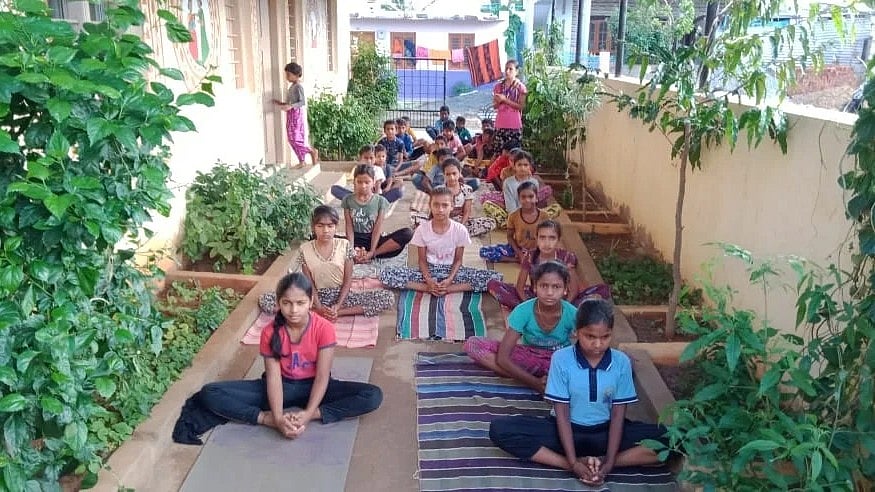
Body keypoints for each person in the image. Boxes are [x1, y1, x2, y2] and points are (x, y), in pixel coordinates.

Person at [488, 298, 668, 486]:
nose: (598, 344)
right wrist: (573, 463)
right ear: (576, 332)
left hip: (605, 433)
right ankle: (568, 463)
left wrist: (610, 463)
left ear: (611, 334)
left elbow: (617, 414)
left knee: (675, 439)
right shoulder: (561, 359)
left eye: (605, 337)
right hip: (564, 432)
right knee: (501, 429)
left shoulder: (621, 362)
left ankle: (598, 463)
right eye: (590, 336)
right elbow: (562, 413)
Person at [196, 273, 383, 439]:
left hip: (314, 386)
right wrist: (276, 419)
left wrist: (309, 414)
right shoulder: (269, 332)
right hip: (281, 387)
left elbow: (322, 376)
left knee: (373, 395)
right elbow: (274, 378)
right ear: (278, 303)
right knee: (210, 393)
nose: (293, 310)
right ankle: (263, 418)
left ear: (310, 302)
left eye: (300, 303)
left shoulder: (324, 328)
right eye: (287, 303)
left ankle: (319, 412)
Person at [258, 206, 395, 321]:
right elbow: (309, 283)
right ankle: (316, 312)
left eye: (330, 226)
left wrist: (338, 306)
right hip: (314, 297)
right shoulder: (304, 249)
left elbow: (348, 280)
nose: (325, 231)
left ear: (336, 226)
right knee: (266, 300)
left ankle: (336, 314)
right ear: (313, 227)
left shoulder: (345, 245)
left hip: (342, 296)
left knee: (387, 298)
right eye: (320, 226)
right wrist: (317, 305)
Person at [464, 261, 578, 392]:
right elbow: (503, 357)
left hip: (559, 360)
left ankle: (539, 377)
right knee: (473, 344)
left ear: (565, 290)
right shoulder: (523, 310)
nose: (550, 292)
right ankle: (537, 379)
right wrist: (534, 383)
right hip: (530, 357)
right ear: (535, 287)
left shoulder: (572, 313)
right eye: (544, 286)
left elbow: (585, 350)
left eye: (556, 287)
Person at [380, 187, 501, 294]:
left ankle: (449, 289)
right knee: (386, 274)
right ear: (430, 206)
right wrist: (428, 281)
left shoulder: (460, 230)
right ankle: (427, 288)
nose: (440, 209)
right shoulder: (422, 229)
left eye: (445, 205)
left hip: (452, 272)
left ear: (452, 206)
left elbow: (458, 260)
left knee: (494, 278)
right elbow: (422, 261)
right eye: (436, 205)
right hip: (428, 270)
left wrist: (449, 280)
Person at [488, 220, 611, 309]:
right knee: (494, 285)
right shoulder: (530, 256)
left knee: (601, 292)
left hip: (561, 298)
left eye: (552, 238)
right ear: (536, 238)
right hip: (535, 297)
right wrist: (530, 307)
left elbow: (574, 290)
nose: (547, 243)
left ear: (558, 239)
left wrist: (564, 307)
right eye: (542, 238)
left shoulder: (567, 257)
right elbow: (520, 287)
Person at [341, 164, 413, 263]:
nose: (363, 186)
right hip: (355, 239)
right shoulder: (347, 200)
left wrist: (372, 251)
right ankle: (356, 254)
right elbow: (349, 227)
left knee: (407, 233)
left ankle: (374, 255)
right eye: (359, 182)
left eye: (367, 182)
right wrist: (351, 250)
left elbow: (377, 229)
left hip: (373, 241)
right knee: (321, 237)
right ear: (354, 182)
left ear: (374, 182)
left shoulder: (380, 201)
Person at [480, 181, 546, 262]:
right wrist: (519, 253)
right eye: (523, 197)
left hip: (538, 250)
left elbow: (547, 237)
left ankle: (531, 260)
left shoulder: (544, 216)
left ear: (536, 198)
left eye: (531, 196)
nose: (527, 200)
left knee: (555, 258)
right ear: (519, 199)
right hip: (518, 249)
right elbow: (510, 237)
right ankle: (516, 260)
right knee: (484, 251)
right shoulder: (513, 216)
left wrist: (535, 253)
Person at [273, 62, 318, 167]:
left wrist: (291, 106)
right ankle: (301, 160)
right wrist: (281, 103)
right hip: (290, 114)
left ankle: (311, 151)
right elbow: (289, 102)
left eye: (289, 75)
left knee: (296, 137)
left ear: (296, 75)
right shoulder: (292, 87)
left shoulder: (298, 87)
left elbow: (302, 102)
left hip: (296, 115)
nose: (287, 77)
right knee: (291, 138)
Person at [441, 158, 497, 237]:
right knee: (419, 220)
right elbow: (436, 212)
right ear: (444, 174)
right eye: (448, 174)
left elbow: (467, 211)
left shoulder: (467, 189)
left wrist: (461, 226)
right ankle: (450, 234)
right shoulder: (439, 190)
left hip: (460, 222)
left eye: (454, 173)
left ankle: (456, 233)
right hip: (443, 221)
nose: (452, 177)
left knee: (490, 222)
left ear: (460, 172)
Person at [330, 146, 401, 203]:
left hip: (376, 197)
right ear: (360, 158)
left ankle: (375, 202)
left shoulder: (377, 169)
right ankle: (354, 201)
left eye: (371, 158)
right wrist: (356, 197)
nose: (369, 161)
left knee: (398, 192)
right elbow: (355, 186)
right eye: (366, 158)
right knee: (334, 189)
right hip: (359, 196)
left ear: (375, 158)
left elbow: (378, 186)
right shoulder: (357, 169)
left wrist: (374, 200)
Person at [492, 60, 527, 157]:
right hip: (500, 124)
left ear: (517, 71)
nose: (507, 71)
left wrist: (505, 100)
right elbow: (495, 106)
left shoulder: (521, 87)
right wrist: (499, 101)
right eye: (506, 69)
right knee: (499, 153)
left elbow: (521, 106)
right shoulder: (498, 87)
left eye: (510, 69)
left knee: (515, 155)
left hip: (514, 125)